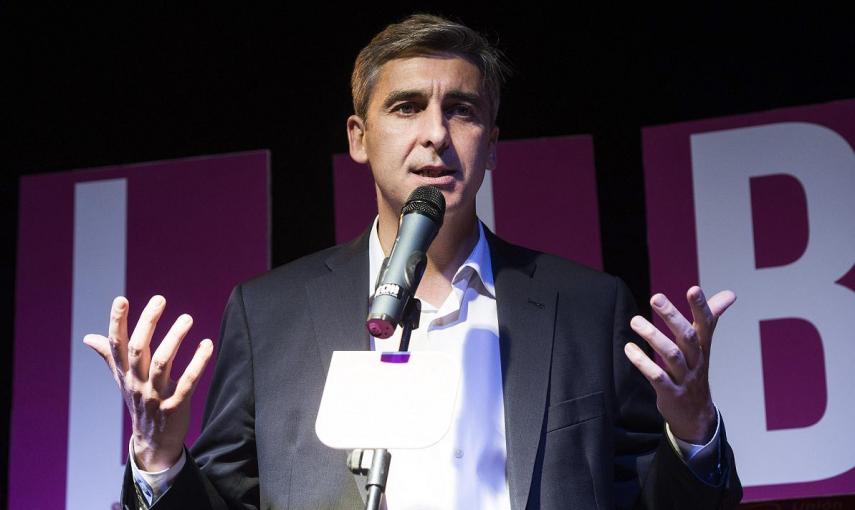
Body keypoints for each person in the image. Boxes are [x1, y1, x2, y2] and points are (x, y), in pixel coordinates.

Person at [84, 14, 742, 510]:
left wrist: (692, 434)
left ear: (491, 144)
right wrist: (159, 458)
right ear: (359, 138)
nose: (435, 133)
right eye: (406, 108)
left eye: (461, 110)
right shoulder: (269, 314)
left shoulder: (587, 307)